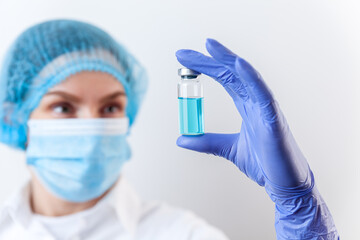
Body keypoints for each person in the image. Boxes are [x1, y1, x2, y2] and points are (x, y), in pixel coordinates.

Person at [0, 19, 339, 239]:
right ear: (17, 119)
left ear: (127, 115)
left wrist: (297, 206)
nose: (92, 124)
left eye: (110, 107)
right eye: (63, 107)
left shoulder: (181, 233)